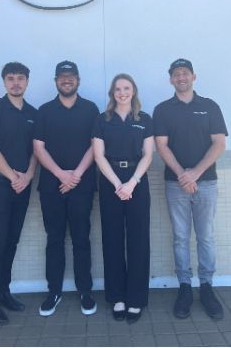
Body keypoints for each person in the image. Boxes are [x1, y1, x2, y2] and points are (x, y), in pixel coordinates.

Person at [153, 58, 228, 320]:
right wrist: (182, 175)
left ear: (194, 77)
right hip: (175, 184)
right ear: (170, 79)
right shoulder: (162, 110)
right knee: (181, 237)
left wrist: (194, 173)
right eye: (176, 74)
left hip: (206, 182)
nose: (181, 77)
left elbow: (219, 143)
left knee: (206, 236)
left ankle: (206, 286)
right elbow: (162, 146)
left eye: (185, 73)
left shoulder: (209, 106)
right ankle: (185, 287)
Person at [33, 61, 99, 317]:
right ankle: (54, 292)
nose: (67, 80)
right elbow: (39, 148)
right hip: (51, 186)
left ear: (78, 80)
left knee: (82, 238)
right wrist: (62, 174)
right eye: (62, 77)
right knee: (55, 239)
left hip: (82, 186)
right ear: (56, 81)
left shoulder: (91, 109)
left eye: (71, 76)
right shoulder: (45, 111)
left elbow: (95, 146)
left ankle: (85, 290)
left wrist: (76, 175)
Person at [0, 62, 37, 324]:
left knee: (12, 240)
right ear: (4, 82)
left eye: (20, 78)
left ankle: (4, 291)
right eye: (11, 78)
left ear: (27, 82)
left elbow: (36, 150)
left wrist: (28, 176)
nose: (16, 83)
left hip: (22, 186)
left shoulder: (33, 114)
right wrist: (14, 177)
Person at [92, 74, 154, 324]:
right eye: (118, 89)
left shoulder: (145, 120)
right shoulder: (102, 120)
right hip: (111, 183)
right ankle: (117, 297)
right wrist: (118, 184)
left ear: (133, 91)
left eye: (126, 88)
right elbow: (98, 155)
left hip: (137, 182)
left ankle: (136, 299)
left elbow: (148, 155)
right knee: (112, 240)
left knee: (138, 241)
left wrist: (131, 183)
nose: (122, 92)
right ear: (112, 93)